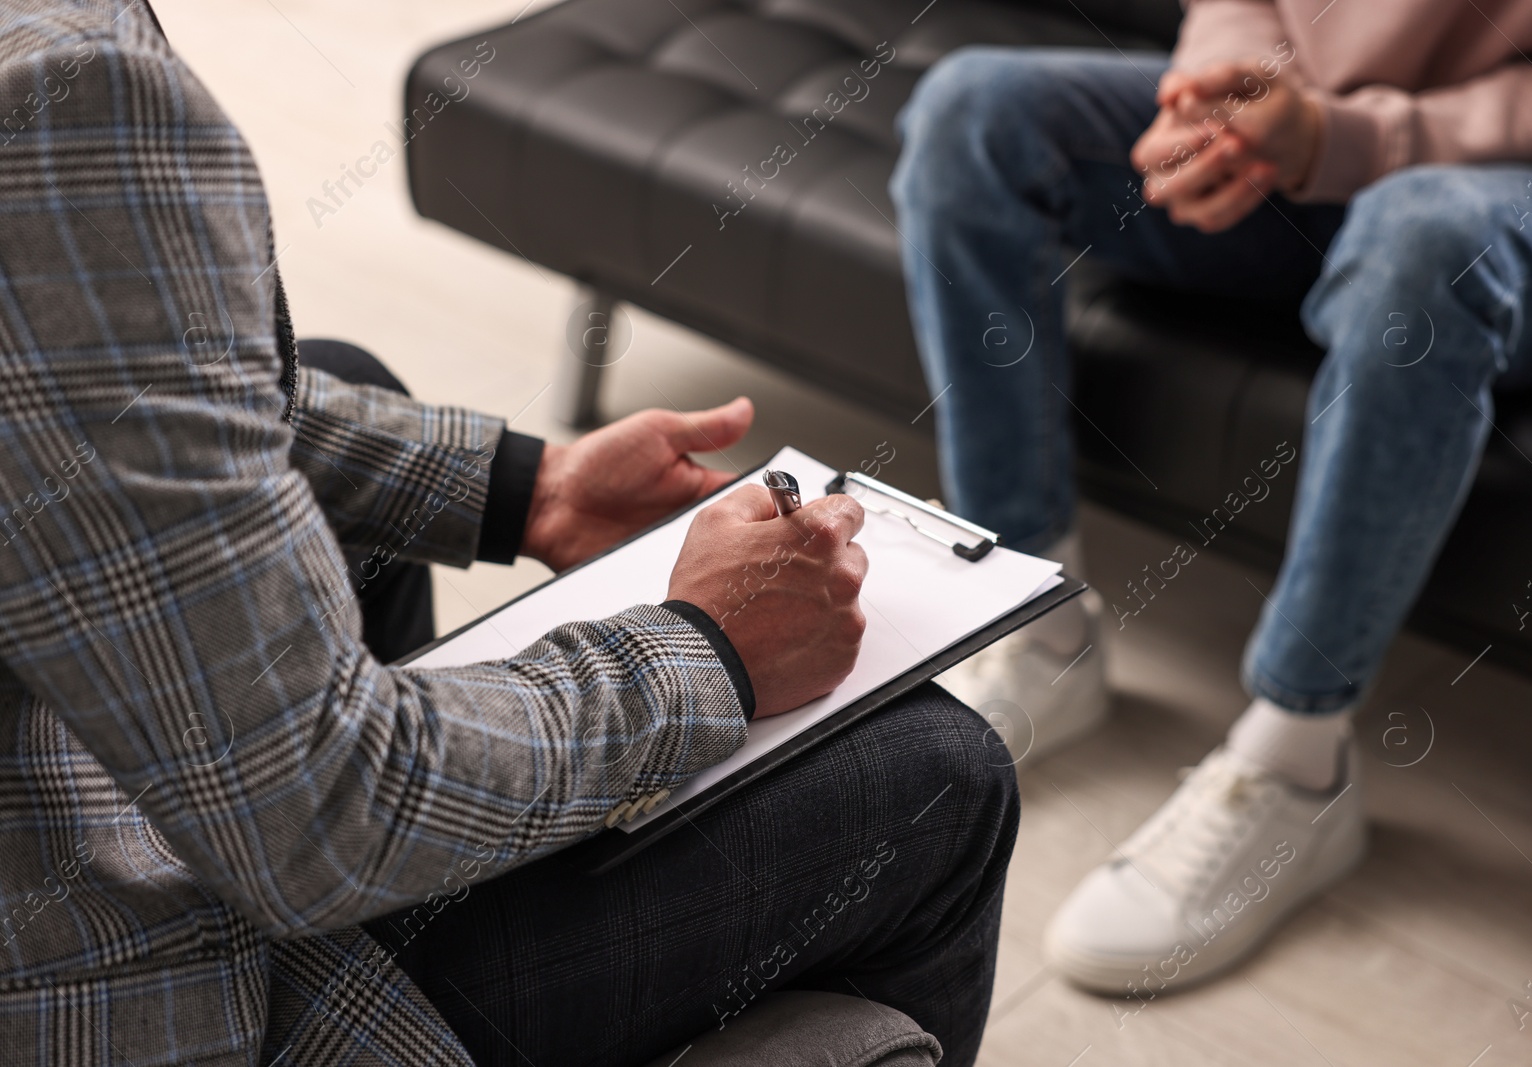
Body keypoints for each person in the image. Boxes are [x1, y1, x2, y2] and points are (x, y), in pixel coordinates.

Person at [0, 2, 1017, 1064]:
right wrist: (706, 650)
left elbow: (84, 396)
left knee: (351, 376)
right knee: (943, 769)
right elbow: (314, 811)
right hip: (109, 984)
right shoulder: (59, 99)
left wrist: (529, 490)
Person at [890, 0, 1532, 994]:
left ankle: (1294, 764)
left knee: (1423, 237)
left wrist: (1341, 140)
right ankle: (1035, 627)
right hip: (1312, 143)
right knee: (972, 111)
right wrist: (1225, 99)